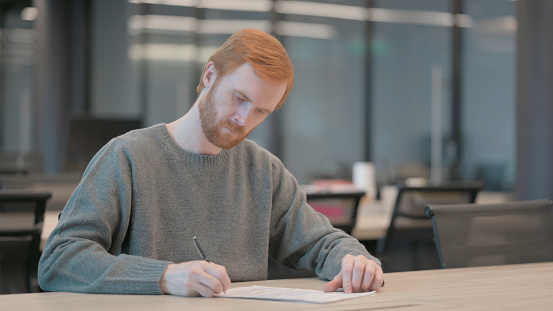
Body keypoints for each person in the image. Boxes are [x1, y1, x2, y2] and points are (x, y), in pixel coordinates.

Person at [38, 29, 384, 298]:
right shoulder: (128, 156)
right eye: (239, 98)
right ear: (209, 76)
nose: (244, 119)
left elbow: (322, 242)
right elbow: (59, 260)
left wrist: (355, 262)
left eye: (261, 111)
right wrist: (162, 276)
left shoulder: (263, 170)